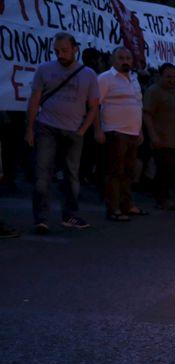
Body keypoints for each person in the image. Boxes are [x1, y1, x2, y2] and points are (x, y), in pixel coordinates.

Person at [25, 32, 99, 234]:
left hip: (73, 130)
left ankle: (70, 215)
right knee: (42, 174)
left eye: (65, 50)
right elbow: (34, 100)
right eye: (57, 51)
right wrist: (29, 129)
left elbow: (94, 106)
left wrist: (82, 131)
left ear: (75, 48)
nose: (61, 55)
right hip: (46, 127)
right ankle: (41, 218)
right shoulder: (45, 69)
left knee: (72, 175)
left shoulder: (88, 74)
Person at [95, 47, 146, 221]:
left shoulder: (134, 79)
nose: (125, 61)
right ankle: (113, 208)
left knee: (128, 172)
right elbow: (95, 105)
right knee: (114, 172)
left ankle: (127, 205)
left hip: (133, 132)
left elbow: (138, 105)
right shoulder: (105, 79)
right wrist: (98, 129)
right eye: (121, 57)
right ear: (113, 60)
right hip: (115, 132)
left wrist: (139, 130)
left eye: (128, 58)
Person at [143, 63, 175, 210]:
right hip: (162, 139)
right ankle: (161, 199)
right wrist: (153, 136)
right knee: (163, 169)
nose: (172, 80)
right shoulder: (154, 91)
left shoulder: (173, 92)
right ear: (159, 76)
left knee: (168, 170)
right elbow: (147, 114)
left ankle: (164, 196)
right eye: (168, 77)